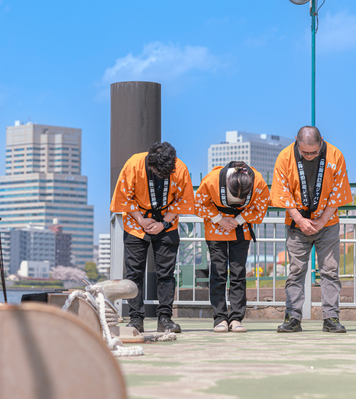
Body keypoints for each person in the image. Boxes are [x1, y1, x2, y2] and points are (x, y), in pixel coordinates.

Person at [270, 126, 352, 333]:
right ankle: (292, 318)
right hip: (297, 224)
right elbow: (282, 192)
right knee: (296, 271)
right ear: (296, 141)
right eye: (304, 152)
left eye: (314, 152)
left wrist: (323, 220)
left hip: (328, 223)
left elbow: (339, 191)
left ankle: (331, 318)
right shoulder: (285, 157)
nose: (308, 156)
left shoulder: (335, 155)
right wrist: (299, 219)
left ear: (322, 141)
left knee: (330, 271)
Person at [110, 141, 194, 334]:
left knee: (166, 273)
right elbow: (124, 197)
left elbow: (183, 200)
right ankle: (135, 318)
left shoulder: (179, 168)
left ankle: (165, 318)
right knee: (134, 272)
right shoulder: (133, 164)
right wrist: (141, 220)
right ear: (150, 164)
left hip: (167, 220)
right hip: (135, 219)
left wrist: (163, 223)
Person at [195, 161, 270, 333]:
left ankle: (236, 317)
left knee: (238, 272)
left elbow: (260, 207)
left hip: (241, 227)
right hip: (216, 227)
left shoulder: (258, 181)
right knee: (218, 272)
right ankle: (219, 317)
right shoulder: (212, 179)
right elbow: (199, 203)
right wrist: (219, 219)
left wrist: (237, 220)